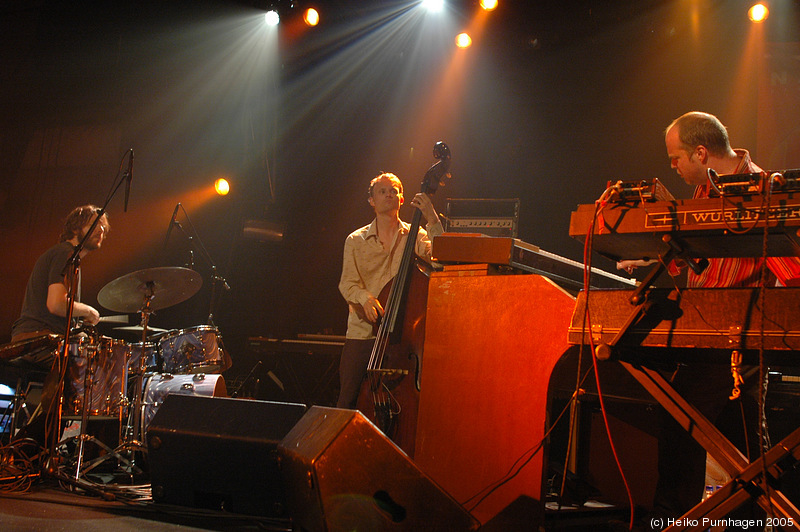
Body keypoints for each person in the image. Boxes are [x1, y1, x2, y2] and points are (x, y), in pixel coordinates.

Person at [623, 112, 800, 520]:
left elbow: (791, 271)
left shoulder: (761, 191)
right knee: (746, 452)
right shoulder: (704, 193)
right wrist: (652, 260)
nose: (672, 166)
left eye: (675, 158)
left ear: (701, 152)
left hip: (737, 341)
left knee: (684, 428)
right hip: (705, 334)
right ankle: (759, 521)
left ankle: (672, 520)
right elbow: (700, 264)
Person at [336, 172, 443, 409]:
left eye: (394, 191)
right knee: (348, 401)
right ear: (371, 200)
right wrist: (365, 299)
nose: (389, 194)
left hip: (402, 336)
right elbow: (347, 283)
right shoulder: (355, 240)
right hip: (363, 334)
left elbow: (442, 260)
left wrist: (432, 219)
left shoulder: (416, 235)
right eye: (382, 191)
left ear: (402, 200)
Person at [11, 205, 109, 343]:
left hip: (45, 337)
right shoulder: (64, 253)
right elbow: (56, 304)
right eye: (94, 224)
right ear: (75, 228)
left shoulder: (70, 257)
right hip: (38, 339)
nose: (101, 229)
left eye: (103, 226)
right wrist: (89, 311)